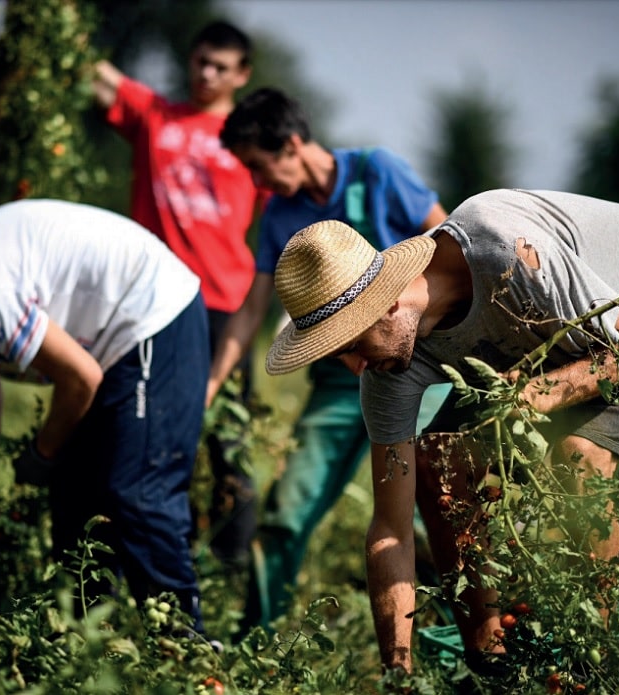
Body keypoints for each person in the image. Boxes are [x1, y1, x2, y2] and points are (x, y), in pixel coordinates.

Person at [261, 188, 619, 673]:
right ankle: (489, 657)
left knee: (579, 456)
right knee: (434, 459)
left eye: (353, 344)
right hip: (545, 339)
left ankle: (597, 663)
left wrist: (532, 396)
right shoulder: (385, 370)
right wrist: (398, 670)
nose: (355, 366)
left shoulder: (506, 250)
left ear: (389, 303)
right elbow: (390, 531)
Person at [206, 87, 449, 631]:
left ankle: (457, 640)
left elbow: (447, 242)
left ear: (291, 144)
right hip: (339, 387)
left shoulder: (377, 170)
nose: (256, 183)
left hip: (418, 375)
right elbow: (252, 310)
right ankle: (256, 646)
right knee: (285, 514)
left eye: (258, 166)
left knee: (438, 513)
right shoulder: (279, 215)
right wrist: (212, 382)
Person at [0, 199, 211, 634]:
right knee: (74, 500)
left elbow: (80, 378)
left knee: (137, 490)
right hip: (98, 339)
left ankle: (190, 651)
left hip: (150, 308)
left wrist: (42, 454)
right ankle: (85, 648)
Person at [92, 20, 268, 566]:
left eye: (221, 66)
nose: (207, 74)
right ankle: (142, 553)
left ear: (243, 74)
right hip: (151, 301)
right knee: (142, 432)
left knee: (227, 441)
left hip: (223, 304)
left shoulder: (250, 140)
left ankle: (232, 567)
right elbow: (94, 74)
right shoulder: (155, 115)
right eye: (200, 62)